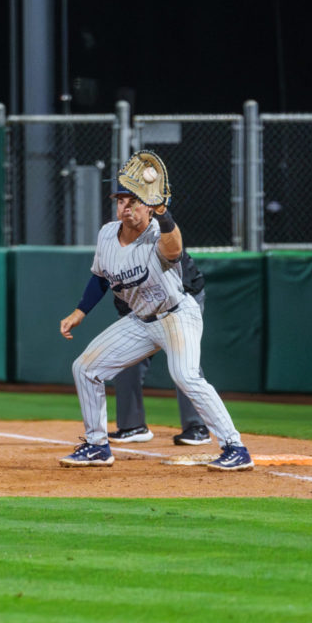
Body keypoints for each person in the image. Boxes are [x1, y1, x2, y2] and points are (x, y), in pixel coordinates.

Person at [58, 150, 252, 471]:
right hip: (140, 321)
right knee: (85, 368)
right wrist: (80, 312)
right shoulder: (107, 233)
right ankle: (96, 446)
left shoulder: (157, 233)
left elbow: (174, 249)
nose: (126, 206)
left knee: (186, 376)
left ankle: (235, 447)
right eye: (121, 200)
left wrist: (163, 212)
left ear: (148, 204)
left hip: (176, 315)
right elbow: (99, 277)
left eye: (134, 200)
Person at [108, 251, 212, 447]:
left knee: (183, 360)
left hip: (183, 297)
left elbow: (177, 288)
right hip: (142, 305)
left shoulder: (157, 237)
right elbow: (121, 298)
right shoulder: (113, 251)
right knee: (125, 357)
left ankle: (197, 427)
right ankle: (132, 426)